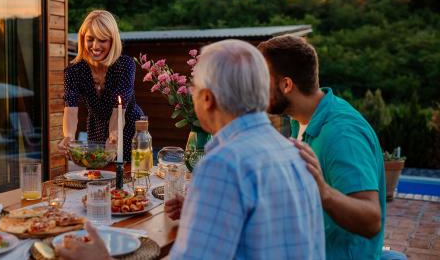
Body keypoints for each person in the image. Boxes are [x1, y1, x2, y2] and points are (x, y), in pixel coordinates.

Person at [56, 40, 325, 259]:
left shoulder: (224, 164)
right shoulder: (295, 152)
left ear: (207, 98)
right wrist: (201, 210)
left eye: (194, 88)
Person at [257, 35, 387, 259]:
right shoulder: (303, 119)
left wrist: (324, 193)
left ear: (287, 85)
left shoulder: (341, 134)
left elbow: (371, 219)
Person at [57, 10, 144, 162]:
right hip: (96, 129)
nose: (95, 46)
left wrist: (114, 135)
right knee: (98, 176)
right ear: (83, 39)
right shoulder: (74, 71)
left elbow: (119, 110)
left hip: (128, 128)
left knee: (131, 177)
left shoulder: (125, 65)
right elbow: (70, 109)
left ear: (112, 41)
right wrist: (69, 137)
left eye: (102, 40)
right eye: (90, 39)